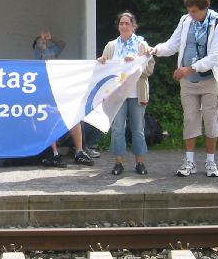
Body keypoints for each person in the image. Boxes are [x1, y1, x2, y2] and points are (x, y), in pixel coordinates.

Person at [149, 0, 218, 177]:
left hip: (209, 81)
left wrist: (189, 68)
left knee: (210, 121)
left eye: (194, 11)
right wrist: (155, 50)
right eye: (189, 11)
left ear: (204, 9)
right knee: (190, 120)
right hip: (188, 83)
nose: (190, 15)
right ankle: (189, 162)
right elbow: (172, 45)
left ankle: (210, 162)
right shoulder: (185, 21)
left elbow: (215, 57)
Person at [97, 11, 155, 175]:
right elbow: (105, 70)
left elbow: (149, 69)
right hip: (117, 94)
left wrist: (136, 63)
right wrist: (102, 62)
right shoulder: (111, 46)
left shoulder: (142, 45)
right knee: (117, 129)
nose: (124, 26)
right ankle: (118, 163)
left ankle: (139, 162)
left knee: (138, 128)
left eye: (127, 23)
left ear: (134, 26)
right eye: (121, 23)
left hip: (137, 93)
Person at [32, 30, 93, 167]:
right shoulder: (38, 53)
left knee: (74, 116)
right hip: (46, 96)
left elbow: (62, 43)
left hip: (59, 91)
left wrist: (51, 37)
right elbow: (44, 53)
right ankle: (54, 154)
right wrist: (41, 43)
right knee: (49, 117)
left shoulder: (52, 49)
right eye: (39, 41)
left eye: (42, 41)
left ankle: (79, 152)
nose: (42, 42)